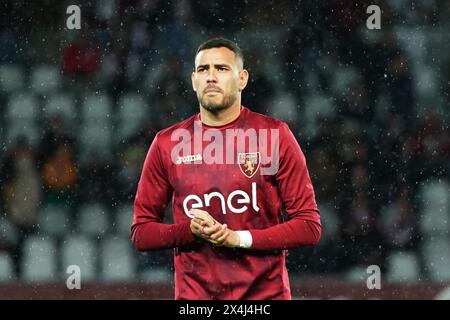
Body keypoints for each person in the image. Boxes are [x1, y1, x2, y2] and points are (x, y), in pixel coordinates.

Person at [131, 37, 321, 300]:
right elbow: (141, 233)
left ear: (242, 79)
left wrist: (238, 239)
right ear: (193, 81)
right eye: (203, 70)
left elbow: (309, 226)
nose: (210, 77)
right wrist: (189, 231)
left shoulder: (274, 136)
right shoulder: (167, 143)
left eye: (221, 69)